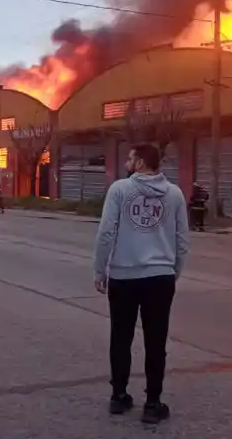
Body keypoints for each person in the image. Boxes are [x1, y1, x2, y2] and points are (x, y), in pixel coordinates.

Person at [93, 143, 189, 425]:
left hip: (124, 276)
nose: (127, 161)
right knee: (156, 340)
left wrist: (100, 270)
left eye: (130, 158)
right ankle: (152, 402)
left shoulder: (119, 190)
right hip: (160, 278)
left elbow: (105, 232)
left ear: (141, 163)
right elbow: (182, 239)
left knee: (121, 337)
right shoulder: (174, 194)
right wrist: (174, 271)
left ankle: (119, 396)